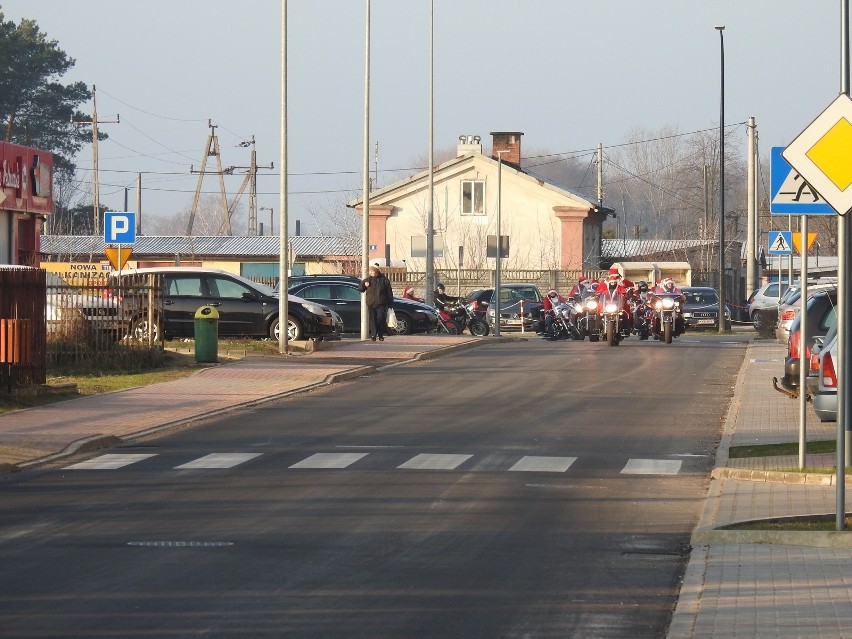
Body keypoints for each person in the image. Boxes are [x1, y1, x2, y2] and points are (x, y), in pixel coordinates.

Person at [359, 265, 394, 341]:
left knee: (380, 318)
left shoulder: (384, 280)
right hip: (371, 303)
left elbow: (389, 292)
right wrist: (364, 285)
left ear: (377, 271)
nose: (371, 272)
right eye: (370, 271)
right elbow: (360, 289)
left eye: (372, 271)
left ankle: (380, 333)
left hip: (381, 303)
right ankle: (373, 335)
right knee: (373, 319)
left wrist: (390, 303)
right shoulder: (368, 280)